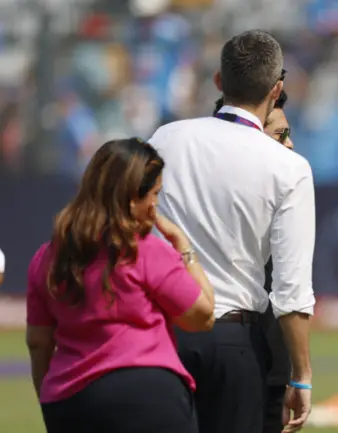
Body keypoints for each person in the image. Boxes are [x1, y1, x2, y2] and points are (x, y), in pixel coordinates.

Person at [148, 30, 315, 433]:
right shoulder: (289, 167)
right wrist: (300, 374)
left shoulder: (165, 139)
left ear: (219, 82)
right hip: (235, 340)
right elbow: (291, 294)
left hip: (164, 332)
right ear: (276, 90)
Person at [25, 138, 216, 433]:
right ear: (130, 199)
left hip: (68, 402)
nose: (155, 205)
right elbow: (202, 316)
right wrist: (184, 247)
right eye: (154, 194)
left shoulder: (47, 258)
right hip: (148, 395)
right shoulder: (146, 251)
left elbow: (39, 342)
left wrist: (49, 398)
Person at [214, 89, 294, 433]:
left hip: (271, 367)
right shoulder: (213, 207)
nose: (290, 146)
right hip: (235, 362)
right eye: (281, 135)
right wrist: (302, 376)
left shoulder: (281, 201)